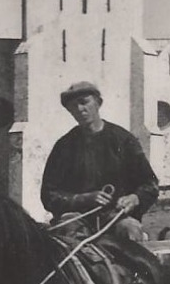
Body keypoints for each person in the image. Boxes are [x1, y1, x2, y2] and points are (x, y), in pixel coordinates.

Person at [40, 81, 159, 242]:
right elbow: (48, 195)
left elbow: (149, 184)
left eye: (84, 102)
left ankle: (139, 269)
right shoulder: (64, 146)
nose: (80, 109)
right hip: (76, 218)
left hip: (117, 217)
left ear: (98, 103)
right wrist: (83, 199)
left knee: (130, 230)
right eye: (73, 106)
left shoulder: (123, 140)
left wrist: (134, 198)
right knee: (66, 231)